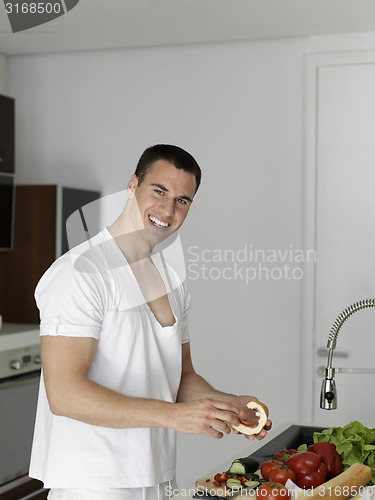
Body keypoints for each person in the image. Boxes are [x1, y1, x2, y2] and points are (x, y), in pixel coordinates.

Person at [29, 144, 272, 500]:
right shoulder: (81, 272)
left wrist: (227, 405)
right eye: (159, 191)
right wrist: (175, 417)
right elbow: (65, 395)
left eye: (182, 200)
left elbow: (181, 378)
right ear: (132, 185)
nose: (168, 209)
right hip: (93, 483)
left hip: (157, 478)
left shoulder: (172, 278)